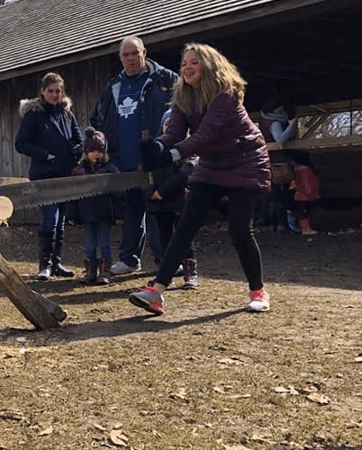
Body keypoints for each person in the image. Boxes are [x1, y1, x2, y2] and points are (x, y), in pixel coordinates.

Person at [128, 42, 272, 315]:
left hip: (245, 161)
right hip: (211, 164)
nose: (187, 68)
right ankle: (156, 292)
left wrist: (171, 154)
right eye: (184, 63)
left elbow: (206, 135)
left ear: (210, 66)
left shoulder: (225, 96)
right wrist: (156, 147)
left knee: (240, 230)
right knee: (186, 225)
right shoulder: (183, 98)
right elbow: (174, 133)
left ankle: (258, 292)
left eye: (194, 62)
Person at [89, 36, 178, 276]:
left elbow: (184, 112)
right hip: (123, 161)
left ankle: (166, 261)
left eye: (135, 54)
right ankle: (129, 259)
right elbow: (97, 119)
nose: (130, 59)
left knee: (159, 211)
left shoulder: (166, 79)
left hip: (156, 159)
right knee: (131, 212)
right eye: (125, 55)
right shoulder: (113, 87)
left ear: (144, 53)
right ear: (120, 58)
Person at [15, 72, 84, 281]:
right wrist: (45, 155)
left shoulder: (67, 114)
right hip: (44, 174)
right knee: (49, 219)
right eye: (51, 91)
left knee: (61, 220)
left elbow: (78, 138)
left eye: (58, 91)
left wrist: (78, 150)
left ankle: (56, 263)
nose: (55, 95)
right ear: (43, 92)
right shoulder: (34, 115)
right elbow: (21, 143)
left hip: (65, 173)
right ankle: (44, 265)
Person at [146, 109, 199, 290]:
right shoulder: (156, 148)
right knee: (164, 239)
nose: (169, 126)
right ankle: (166, 275)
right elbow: (145, 173)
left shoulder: (189, 149)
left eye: (172, 123)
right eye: (166, 123)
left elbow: (185, 173)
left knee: (185, 237)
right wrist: (151, 192)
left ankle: (190, 274)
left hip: (180, 200)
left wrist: (162, 191)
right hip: (160, 202)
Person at [70, 127, 119, 285]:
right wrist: (72, 215)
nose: (96, 154)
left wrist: (119, 212)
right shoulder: (78, 171)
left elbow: (118, 194)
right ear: (86, 151)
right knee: (89, 244)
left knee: (104, 243)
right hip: (86, 213)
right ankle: (90, 271)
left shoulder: (110, 170)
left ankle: (105, 272)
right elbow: (72, 196)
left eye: (100, 151)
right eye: (93, 150)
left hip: (104, 213)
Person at [258, 96, 299, 232]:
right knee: (283, 194)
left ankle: (272, 223)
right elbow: (280, 139)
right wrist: (292, 126)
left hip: (270, 162)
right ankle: (282, 223)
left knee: (273, 194)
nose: (282, 112)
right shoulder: (275, 123)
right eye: (279, 110)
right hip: (279, 163)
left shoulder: (264, 121)